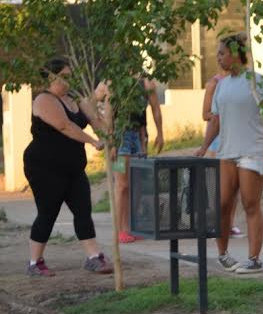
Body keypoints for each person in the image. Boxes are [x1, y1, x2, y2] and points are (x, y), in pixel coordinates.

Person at [24, 57, 113, 276]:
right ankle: (35, 262)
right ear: (51, 76)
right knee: (48, 212)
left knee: (83, 209)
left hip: (73, 166)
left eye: (69, 76)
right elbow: (65, 126)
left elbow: (101, 126)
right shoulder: (43, 100)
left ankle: (94, 257)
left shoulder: (75, 99)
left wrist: (108, 101)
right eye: (63, 76)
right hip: (44, 166)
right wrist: (91, 141)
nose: (68, 80)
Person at [195, 33, 263, 274]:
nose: (218, 58)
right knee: (222, 204)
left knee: (251, 203)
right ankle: (223, 254)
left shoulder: (258, 81)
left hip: (251, 152)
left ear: (235, 54)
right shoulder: (221, 86)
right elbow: (216, 120)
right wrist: (204, 146)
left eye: (222, 53)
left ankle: (254, 258)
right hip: (226, 152)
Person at [113, 74, 163, 244]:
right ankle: (120, 229)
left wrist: (160, 133)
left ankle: (130, 227)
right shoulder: (114, 78)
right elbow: (106, 112)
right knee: (122, 184)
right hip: (120, 138)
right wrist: (111, 141)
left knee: (137, 184)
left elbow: (156, 108)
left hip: (140, 137)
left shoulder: (146, 83)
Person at [201, 71, 243, 239]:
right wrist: (225, 114)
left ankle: (229, 224)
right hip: (217, 141)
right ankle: (213, 224)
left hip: (235, 137)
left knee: (234, 185)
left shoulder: (242, 82)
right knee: (215, 185)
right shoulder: (214, 83)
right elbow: (205, 115)